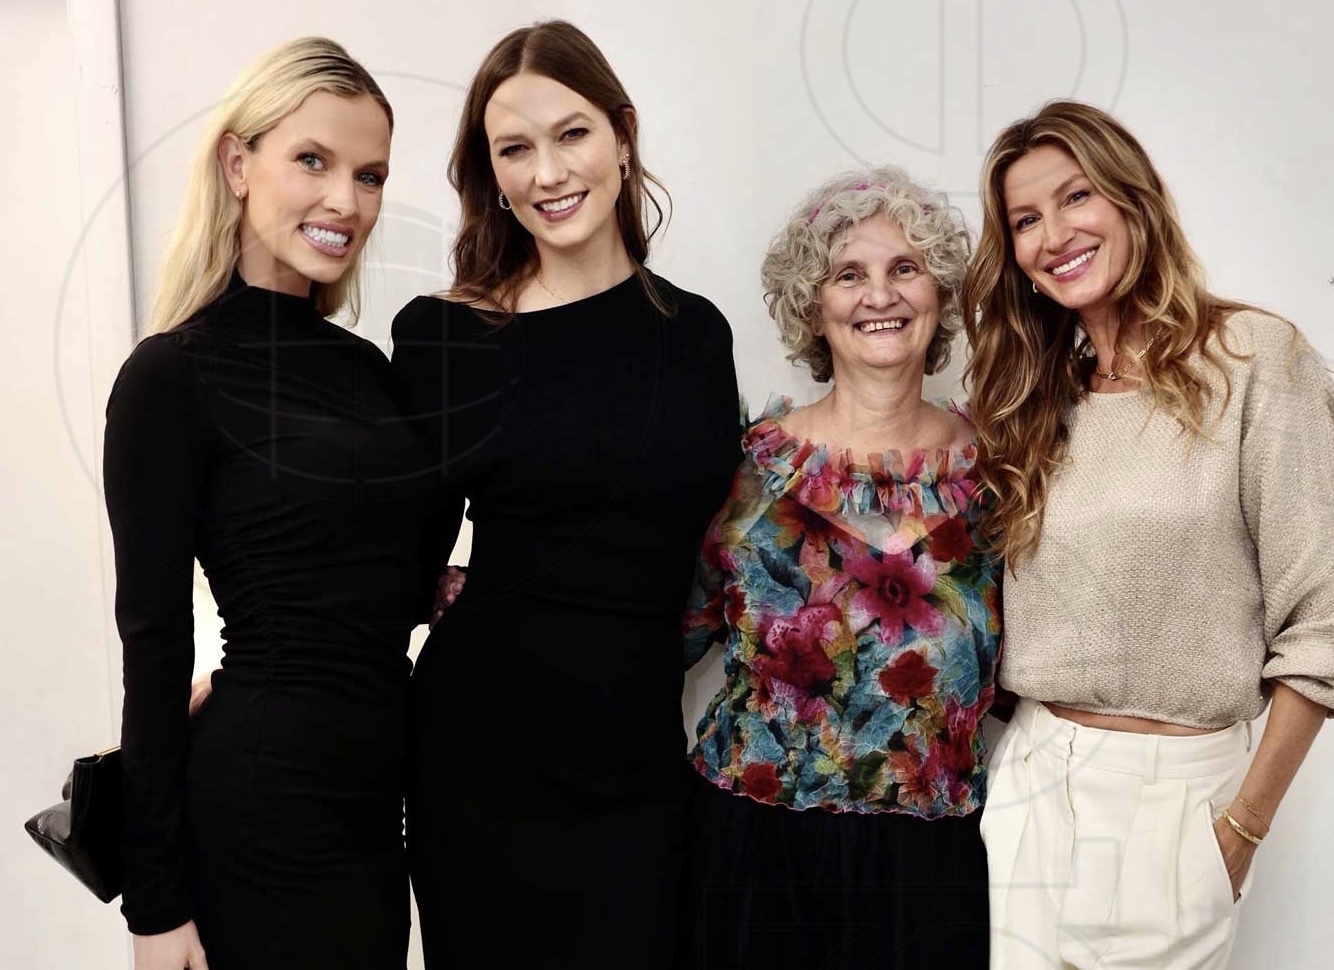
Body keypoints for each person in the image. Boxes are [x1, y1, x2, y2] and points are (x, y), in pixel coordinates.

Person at [962, 99, 1334, 970]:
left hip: (1177, 801)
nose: (1053, 235)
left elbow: (1325, 628)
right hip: (1033, 778)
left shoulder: (1255, 363)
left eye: (1076, 198)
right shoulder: (1040, 400)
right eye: (1025, 221)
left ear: (1133, 200)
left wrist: (1242, 831)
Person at [388, 20, 742, 967]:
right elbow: (389, 565)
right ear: (491, 175)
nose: (548, 172)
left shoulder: (700, 336)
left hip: (637, 762)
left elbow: (720, 550)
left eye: (571, 133)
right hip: (481, 763)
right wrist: (237, 679)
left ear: (623, 137)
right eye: (515, 149)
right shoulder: (444, 339)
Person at [104, 37, 438, 970]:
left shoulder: (372, 374)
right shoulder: (171, 375)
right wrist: (155, 910)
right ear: (237, 163)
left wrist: (445, 586)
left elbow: (382, 580)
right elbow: (155, 647)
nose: (346, 201)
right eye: (313, 161)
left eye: (369, 174)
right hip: (260, 809)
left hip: (379, 808)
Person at [676, 167, 998, 970]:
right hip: (755, 852)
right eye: (848, 274)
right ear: (812, 306)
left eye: (905, 269)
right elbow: (655, 631)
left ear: (941, 295)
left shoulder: (1004, 476)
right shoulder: (743, 470)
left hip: (930, 867)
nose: (878, 295)